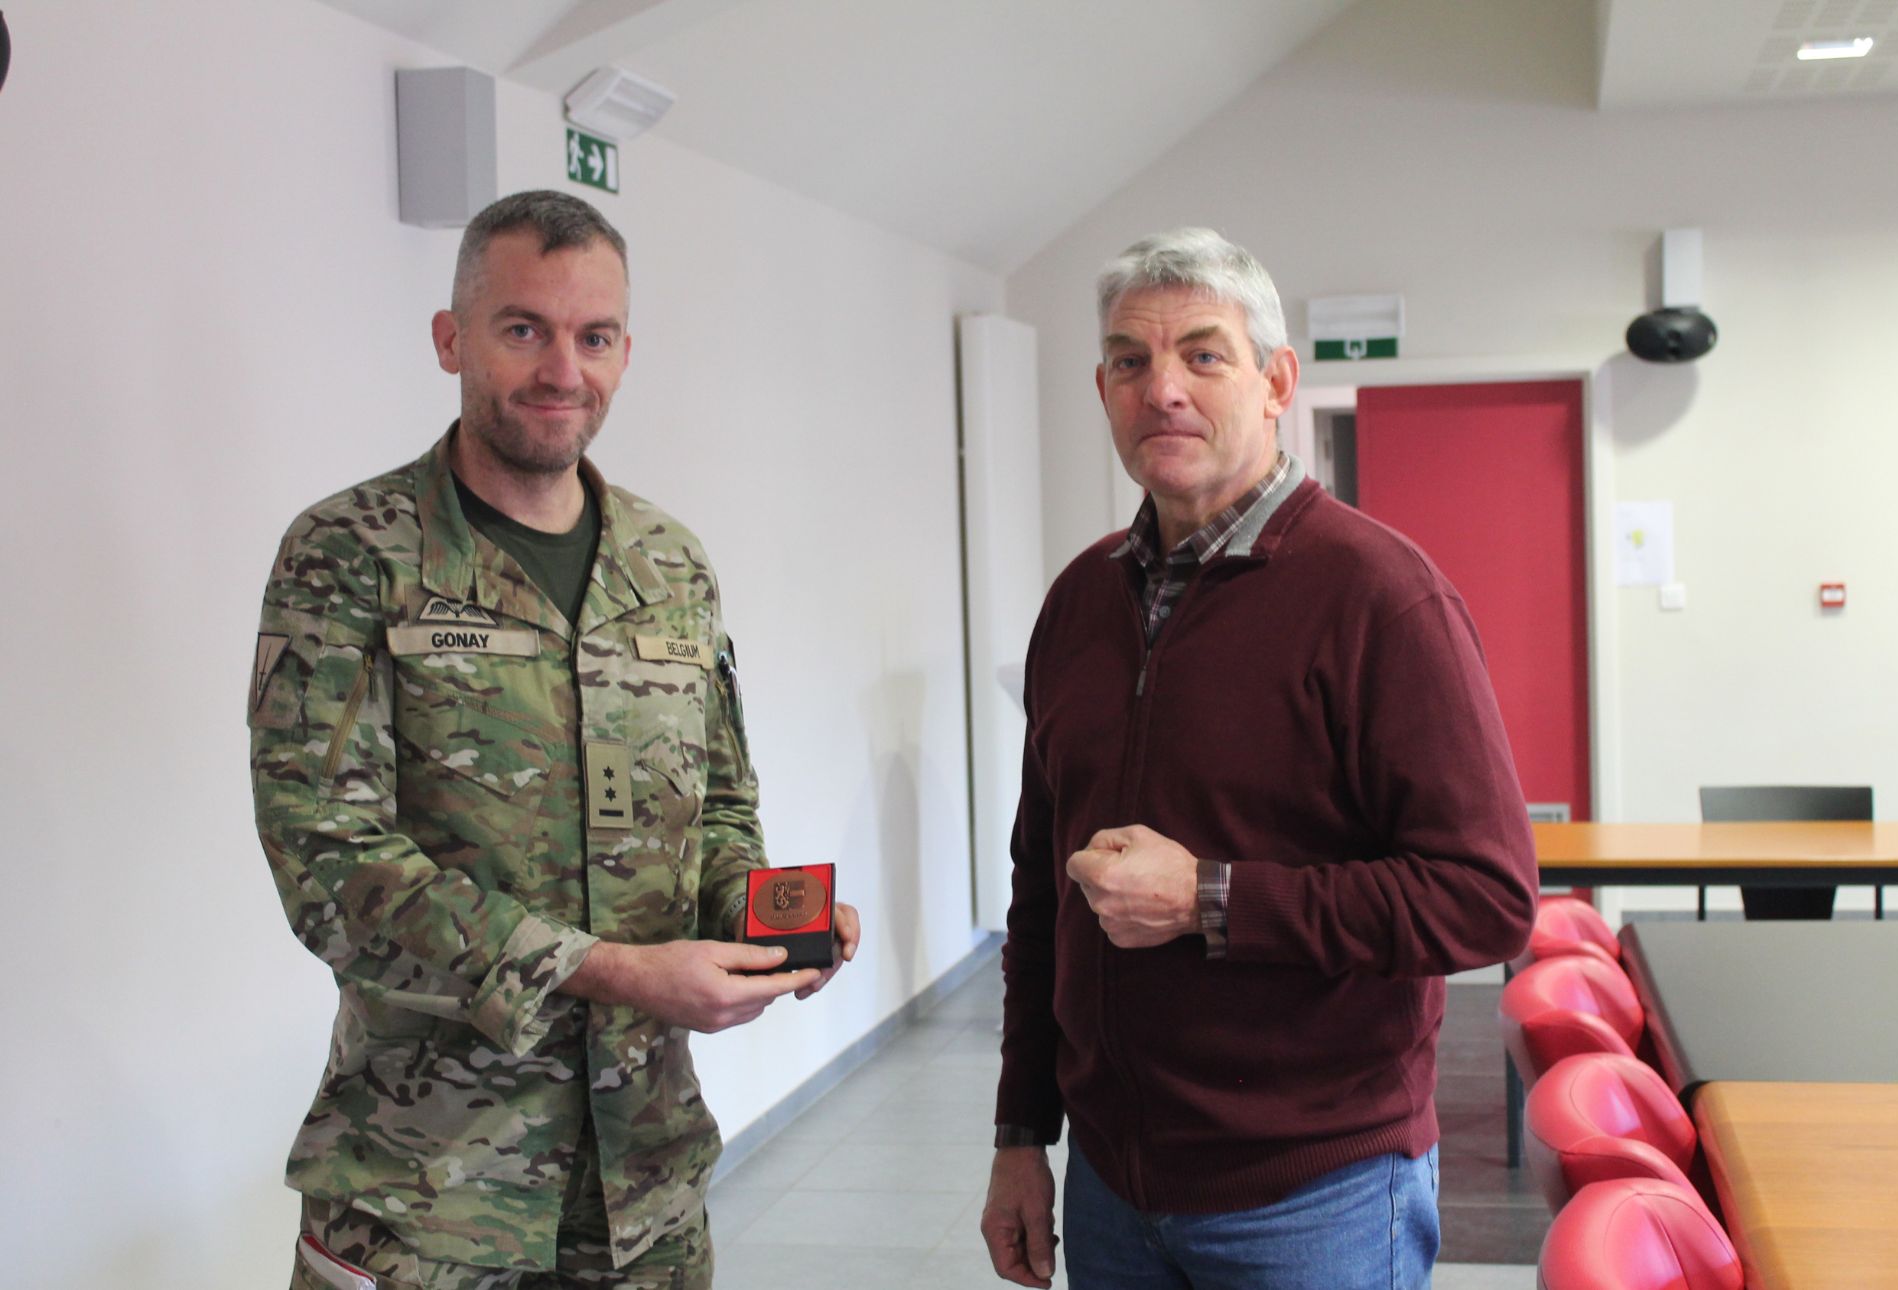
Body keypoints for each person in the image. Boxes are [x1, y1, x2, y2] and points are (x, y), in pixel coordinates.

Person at [251, 189, 859, 1290]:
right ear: (452, 339)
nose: (561, 371)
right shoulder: (353, 555)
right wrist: (617, 972)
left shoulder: (670, 565)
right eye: (522, 328)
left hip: (650, 1198)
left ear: (627, 351)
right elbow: (327, 862)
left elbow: (717, 810)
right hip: (432, 1202)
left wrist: (763, 920)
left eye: (595, 337)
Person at [978, 228, 1537, 1290]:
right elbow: (1041, 897)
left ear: (1277, 380)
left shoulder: (1380, 597)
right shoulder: (1081, 601)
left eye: (1203, 354)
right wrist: (1021, 1133)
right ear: (1102, 388)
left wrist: (1210, 900)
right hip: (1108, 1183)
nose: (1164, 391)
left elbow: (1486, 897)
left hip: (1313, 1194)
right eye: (1131, 363)